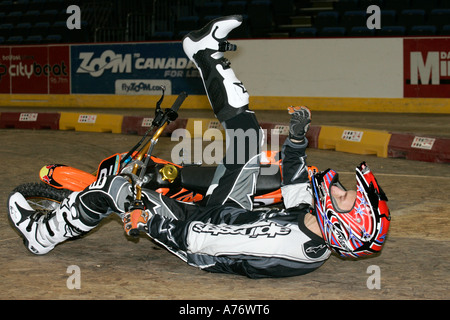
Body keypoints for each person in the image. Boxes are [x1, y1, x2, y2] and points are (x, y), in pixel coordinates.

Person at [8, 15, 391, 278]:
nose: (339, 188)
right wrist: (295, 140)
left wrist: (152, 221)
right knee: (248, 136)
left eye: (345, 198)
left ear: (341, 225)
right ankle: (203, 50)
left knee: (118, 187)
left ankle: (42, 235)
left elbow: (204, 238)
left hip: (199, 233)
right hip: (231, 216)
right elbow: (292, 185)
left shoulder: (288, 243)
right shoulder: (315, 230)